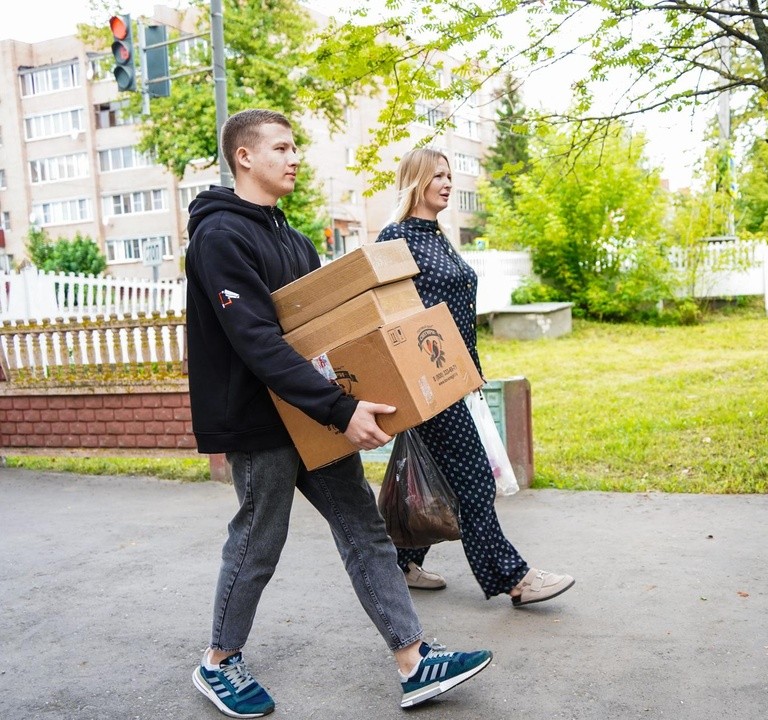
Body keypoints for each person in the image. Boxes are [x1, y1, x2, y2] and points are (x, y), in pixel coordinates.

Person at [185, 110, 491, 718]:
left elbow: (323, 334)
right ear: (244, 157)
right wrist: (340, 406)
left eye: (295, 146)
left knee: (363, 528)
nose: (294, 156)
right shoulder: (220, 236)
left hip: (311, 417)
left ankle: (413, 660)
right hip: (259, 418)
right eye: (282, 147)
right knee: (259, 539)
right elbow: (257, 340)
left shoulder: (293, 240)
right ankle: (219, 661)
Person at [376, 147, 576, 607]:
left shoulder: (437, 235)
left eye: (449, 175)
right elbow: (394, 320)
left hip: (455, 380)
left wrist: (471, 372)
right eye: (437, 176)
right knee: (473, 480)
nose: (447, 183)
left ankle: (401, 561)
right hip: (428, 386)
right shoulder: (396, 237)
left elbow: (455, 315)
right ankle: (515, 579)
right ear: (415, 182)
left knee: (438, 476)